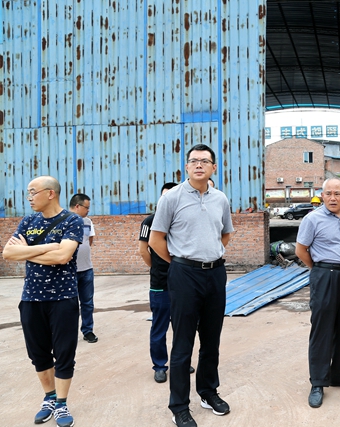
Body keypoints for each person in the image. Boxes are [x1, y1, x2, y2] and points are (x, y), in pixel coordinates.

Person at [149, 144, 234, 427]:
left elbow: (225, 234)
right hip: (184, 275)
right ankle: (179, 406)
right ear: (186, 167)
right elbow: (156, 240)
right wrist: (180, 263)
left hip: (215, 274)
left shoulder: (220, 199)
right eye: (194, 161)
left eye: (205, 161)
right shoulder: (172, 198)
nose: (199, 165)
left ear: (213, 167)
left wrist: (208, 255)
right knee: (183, 342)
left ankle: (208, 392)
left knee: (211, 340)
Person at [2, 176, 84, 427]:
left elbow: (63, 257)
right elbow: (8, 253)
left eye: (33, 192)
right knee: (38, 353)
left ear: (50, 193)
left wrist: (27, 252)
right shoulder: (28, 221)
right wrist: (48, 248)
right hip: (31, 298)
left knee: (64, 353)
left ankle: (61, 403)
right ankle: (49, 397)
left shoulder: (72, 220)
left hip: (63, 298)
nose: (29, 197)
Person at [295, 177, 340, 409]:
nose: (332, 198)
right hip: (324, 274)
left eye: (337, 193)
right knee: (322, 328)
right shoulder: (312, 219)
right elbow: (301, 250)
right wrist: (319, 270)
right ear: (322, 196)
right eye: (328, 193)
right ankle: (318, 382)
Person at [138, 182, 178, 383]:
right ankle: (160, 366)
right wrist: (156, 268)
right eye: (164, 196)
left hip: (182, 282)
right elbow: (143, 250)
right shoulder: (149, 221)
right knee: (159, 327)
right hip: (160, 284)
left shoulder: (182, 220)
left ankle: (180, 362)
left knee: (183, 327)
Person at [69, 193, 98, 344]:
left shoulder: (87, 221)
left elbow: (89, 240)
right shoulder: (64, 221)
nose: (88, 210)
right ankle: (69, 332)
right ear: (77, 206)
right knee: (70, 304)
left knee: (87, 303)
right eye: (86, 207)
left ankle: (88, 331)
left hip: (87, 269)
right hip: (69, 271)